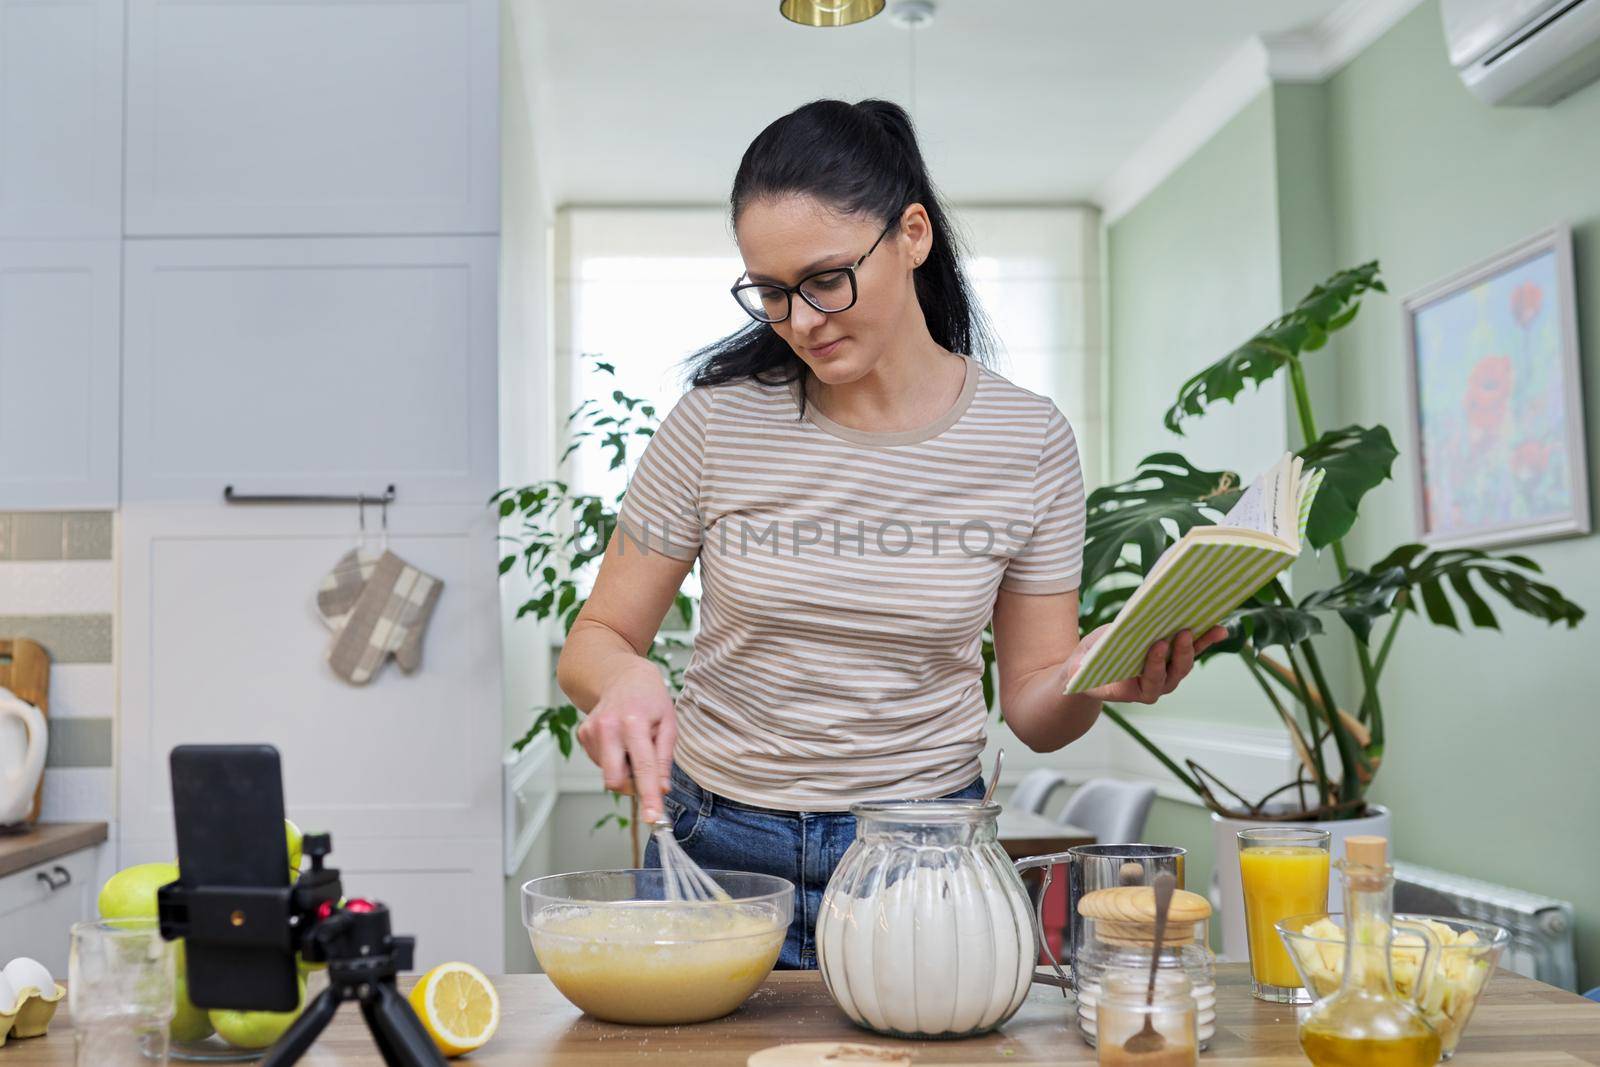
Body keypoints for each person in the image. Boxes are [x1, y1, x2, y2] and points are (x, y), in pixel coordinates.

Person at [555, 98, 1225, 969]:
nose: (799, 321)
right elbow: (595, 640)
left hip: (925, 858)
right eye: (770, 292)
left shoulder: (1028, 441)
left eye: (827, 278)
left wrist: (1099, 671)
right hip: (718, 849)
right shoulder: (714, 423)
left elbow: (1034, 708)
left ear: (913, 234)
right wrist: (627, 677)